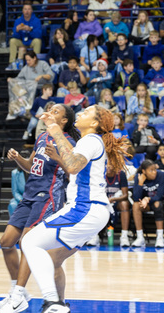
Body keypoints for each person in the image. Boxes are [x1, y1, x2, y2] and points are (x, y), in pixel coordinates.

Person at [21, 106, 129, 313]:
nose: (80, 114)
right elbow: (75, 170)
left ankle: (50, 302)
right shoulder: (89, 142)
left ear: (95, 123)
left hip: (85, 208)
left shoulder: (90, 140)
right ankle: (59, 304)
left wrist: (53, 128)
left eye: (86, 113)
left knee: (29, 241)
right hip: (93, 211)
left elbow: (72, 166)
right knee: (52, 259)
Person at [0, 104, 77, 313]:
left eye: (56, 111)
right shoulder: (41, 138)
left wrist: (59, 158)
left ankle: (19, 294)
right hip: (29, 195)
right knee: (6, 242)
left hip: (48, 196)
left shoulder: (68, 141)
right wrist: (18, 159)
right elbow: (31, 167)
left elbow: (74, 173)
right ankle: (17, 289)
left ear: (64, 120)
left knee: (27, 242)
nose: (51, 111)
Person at [130, 159, 164, 247]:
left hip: (158, 201)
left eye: (154, 169)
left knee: (157, 204)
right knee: (136, 205)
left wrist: (148, 199)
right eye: (151, 170)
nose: (154, 172)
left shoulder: (160, 175)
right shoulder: (138, 176)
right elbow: (136, 198)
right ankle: (140, 237)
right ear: (144, 171)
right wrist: (140, 183)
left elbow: (160, 195)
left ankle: (160, 237)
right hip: (144, 204)